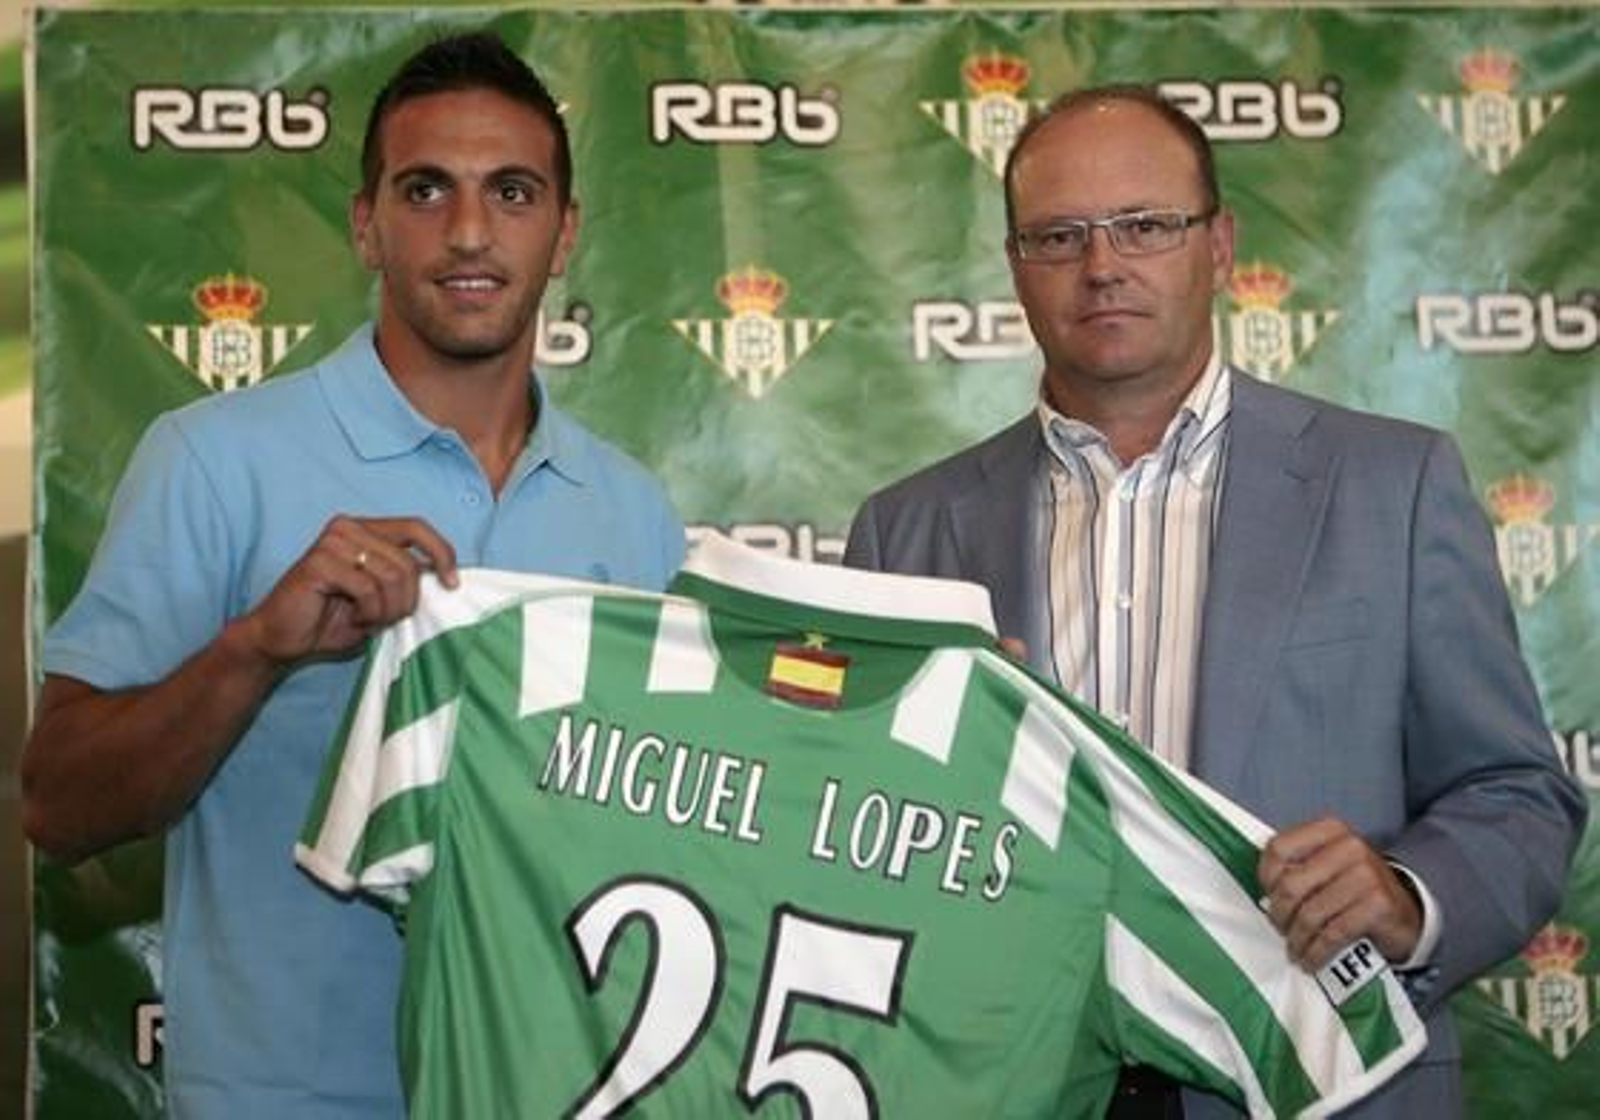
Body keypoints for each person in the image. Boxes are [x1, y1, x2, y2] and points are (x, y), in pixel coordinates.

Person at [844, 85, 1585, 1119]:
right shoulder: (904, 530)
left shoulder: (1393, 486)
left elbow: (1517, 793)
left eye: (1145, 226)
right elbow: (856, 841)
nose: (1103, 266)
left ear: (1220, 244)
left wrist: (1407, 893)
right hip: (1013, 1089)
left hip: (1329, 1088)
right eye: (1059, 235)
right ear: (1014, 267)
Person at [22, 31, 684, 1120]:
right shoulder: (212, 459)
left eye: (511, 192)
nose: (468, 231)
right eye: (426, 190)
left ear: (564, 235)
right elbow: (59, 803)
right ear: (366, 225)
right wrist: (257, 648)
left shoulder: (630, 509)